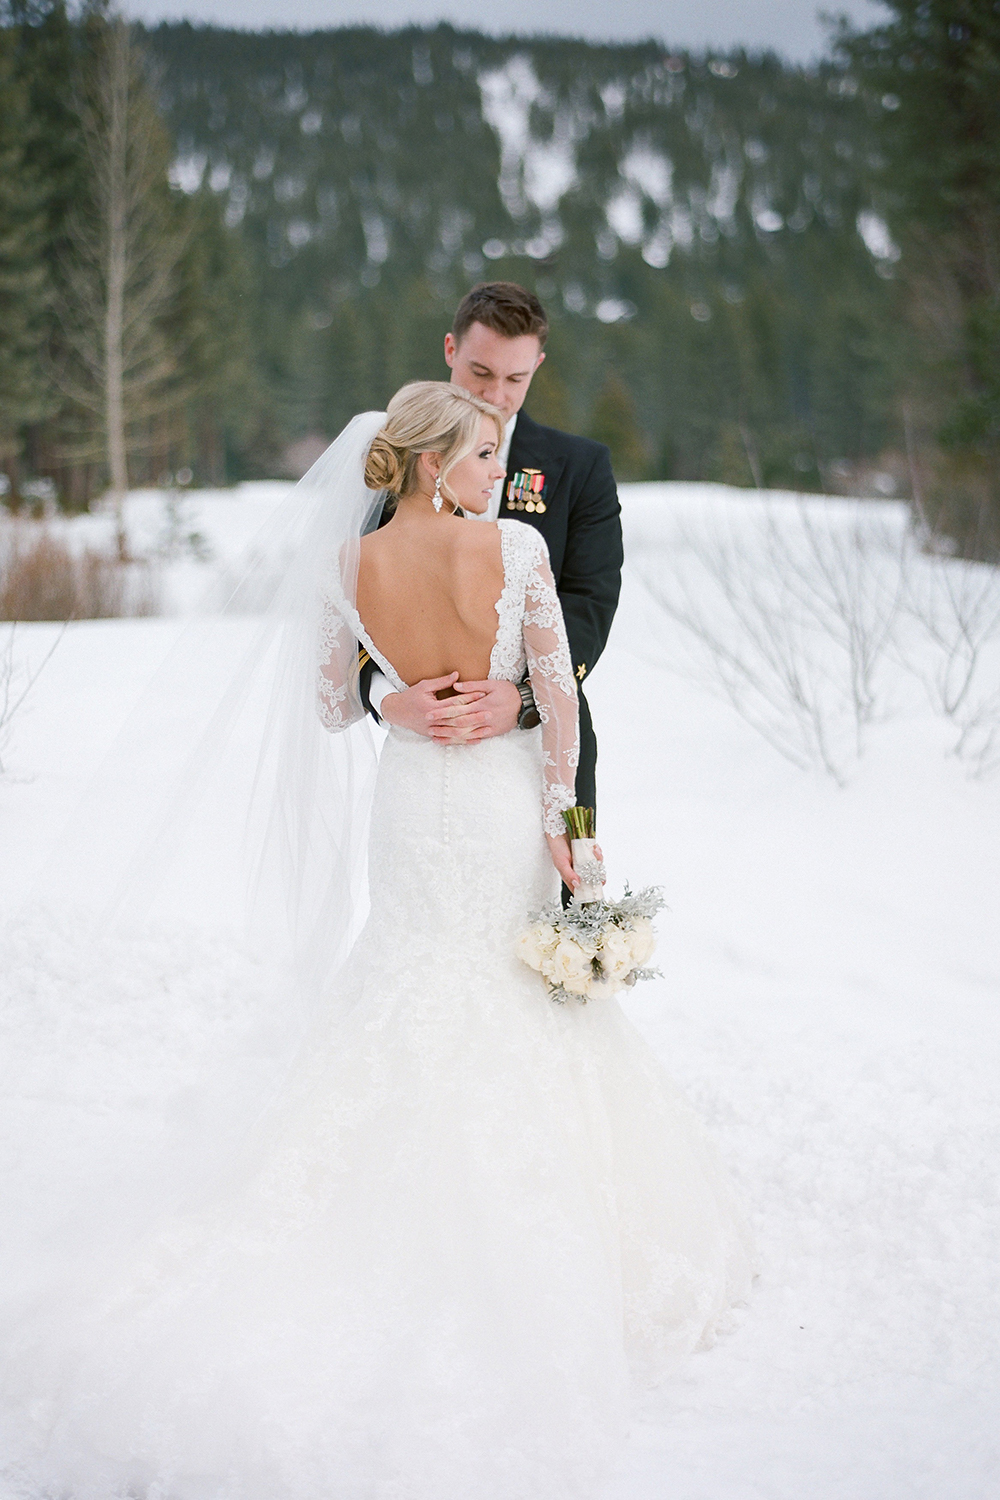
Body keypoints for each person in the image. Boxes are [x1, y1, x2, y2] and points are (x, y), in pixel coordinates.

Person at [2, 383, 752, 1500]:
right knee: (504, 985)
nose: (495, 471)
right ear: (434, 458)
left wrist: (395, 703)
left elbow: (327, 704)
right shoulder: (515, 554)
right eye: (481, 451)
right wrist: (573, 834)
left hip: (408, 806)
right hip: (497, 804)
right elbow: (561, 700)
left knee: (405, 975)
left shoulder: (350, 571)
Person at [361, 282, 622, 817]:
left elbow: (590, 602)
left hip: (544, 739)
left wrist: (524, 697)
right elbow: (356, 604)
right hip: (424, 757)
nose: (495, 396)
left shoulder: (580, 467)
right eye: (481, 373)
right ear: (451, 350)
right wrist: (389, 699)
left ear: (538, 366)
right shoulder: (394, 459)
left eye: (515, 378)